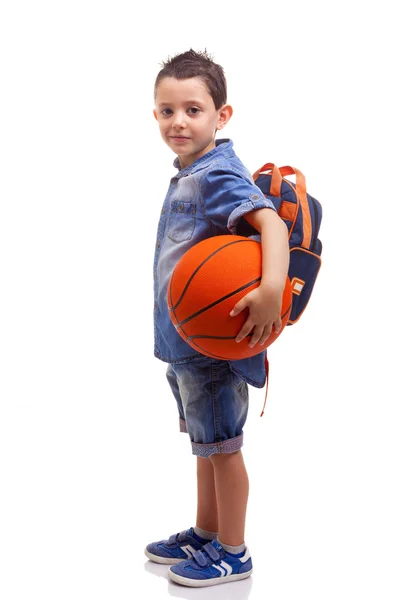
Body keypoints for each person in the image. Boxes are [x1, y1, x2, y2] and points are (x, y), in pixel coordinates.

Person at [145, 49, 289, 587]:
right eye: (166, 111)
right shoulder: (191, 170)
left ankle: (234, 550)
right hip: (184, 344)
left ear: (221, 116)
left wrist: (271, 287)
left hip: (212, 348)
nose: (178, 121)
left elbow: (269, 223)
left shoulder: (218, 173)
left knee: (224, 450)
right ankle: (207, 533)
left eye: (193, 109)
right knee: (204, 446)